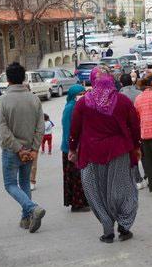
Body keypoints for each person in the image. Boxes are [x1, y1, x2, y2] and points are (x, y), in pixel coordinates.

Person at [69, 66, 140, 243]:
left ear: (92, 82)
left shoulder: (83, 103)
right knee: (124, 189)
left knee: (96, 191)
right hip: (119, 151)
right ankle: (124, 226)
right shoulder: (122, 101)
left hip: (92, 153)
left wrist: (72, 149)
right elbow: (134, 126)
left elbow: (74, 129)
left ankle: (107, 229)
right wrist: (137, 145)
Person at [0, 62, 46, 233]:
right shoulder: (34, 99)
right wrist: (33, 148)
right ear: (23, 78)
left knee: (10, 184)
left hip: (12, 150)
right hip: (30, 149)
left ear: (8, 80)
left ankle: (32, 209)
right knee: (24, 182)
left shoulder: (2, 101)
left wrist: (18, 149)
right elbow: (41, 127)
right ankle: (26, 218)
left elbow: (4, 130)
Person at [61, 84, 90, 213]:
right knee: (75, 176)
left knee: (80, 175)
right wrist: (73, 148)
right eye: (80, 94)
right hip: (71, 148)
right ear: (73, 96)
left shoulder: (78, 107)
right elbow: (68, 130)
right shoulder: (70, 108)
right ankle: (77, 204)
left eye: (84, 94)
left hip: (78, 146)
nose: (83, 96)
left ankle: (81, 201)